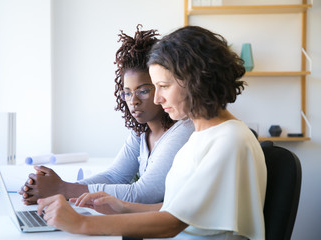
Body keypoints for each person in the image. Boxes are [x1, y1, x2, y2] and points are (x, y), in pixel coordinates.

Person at [36, 25, 267, 240]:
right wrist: (122, 206)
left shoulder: (229, 140)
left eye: (163, 87)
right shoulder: (202, 136)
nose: (157, 98)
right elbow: (176, 208)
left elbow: (172, 223)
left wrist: (80, 224)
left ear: (196, 80)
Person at [18, 25, 194, 205]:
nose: (133, 101)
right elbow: (115, 175)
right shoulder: (141, 132)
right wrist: (56, 190)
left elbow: (144, 193)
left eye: (142, 91)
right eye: (127, 92)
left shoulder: (184, 128)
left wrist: (63, 189)